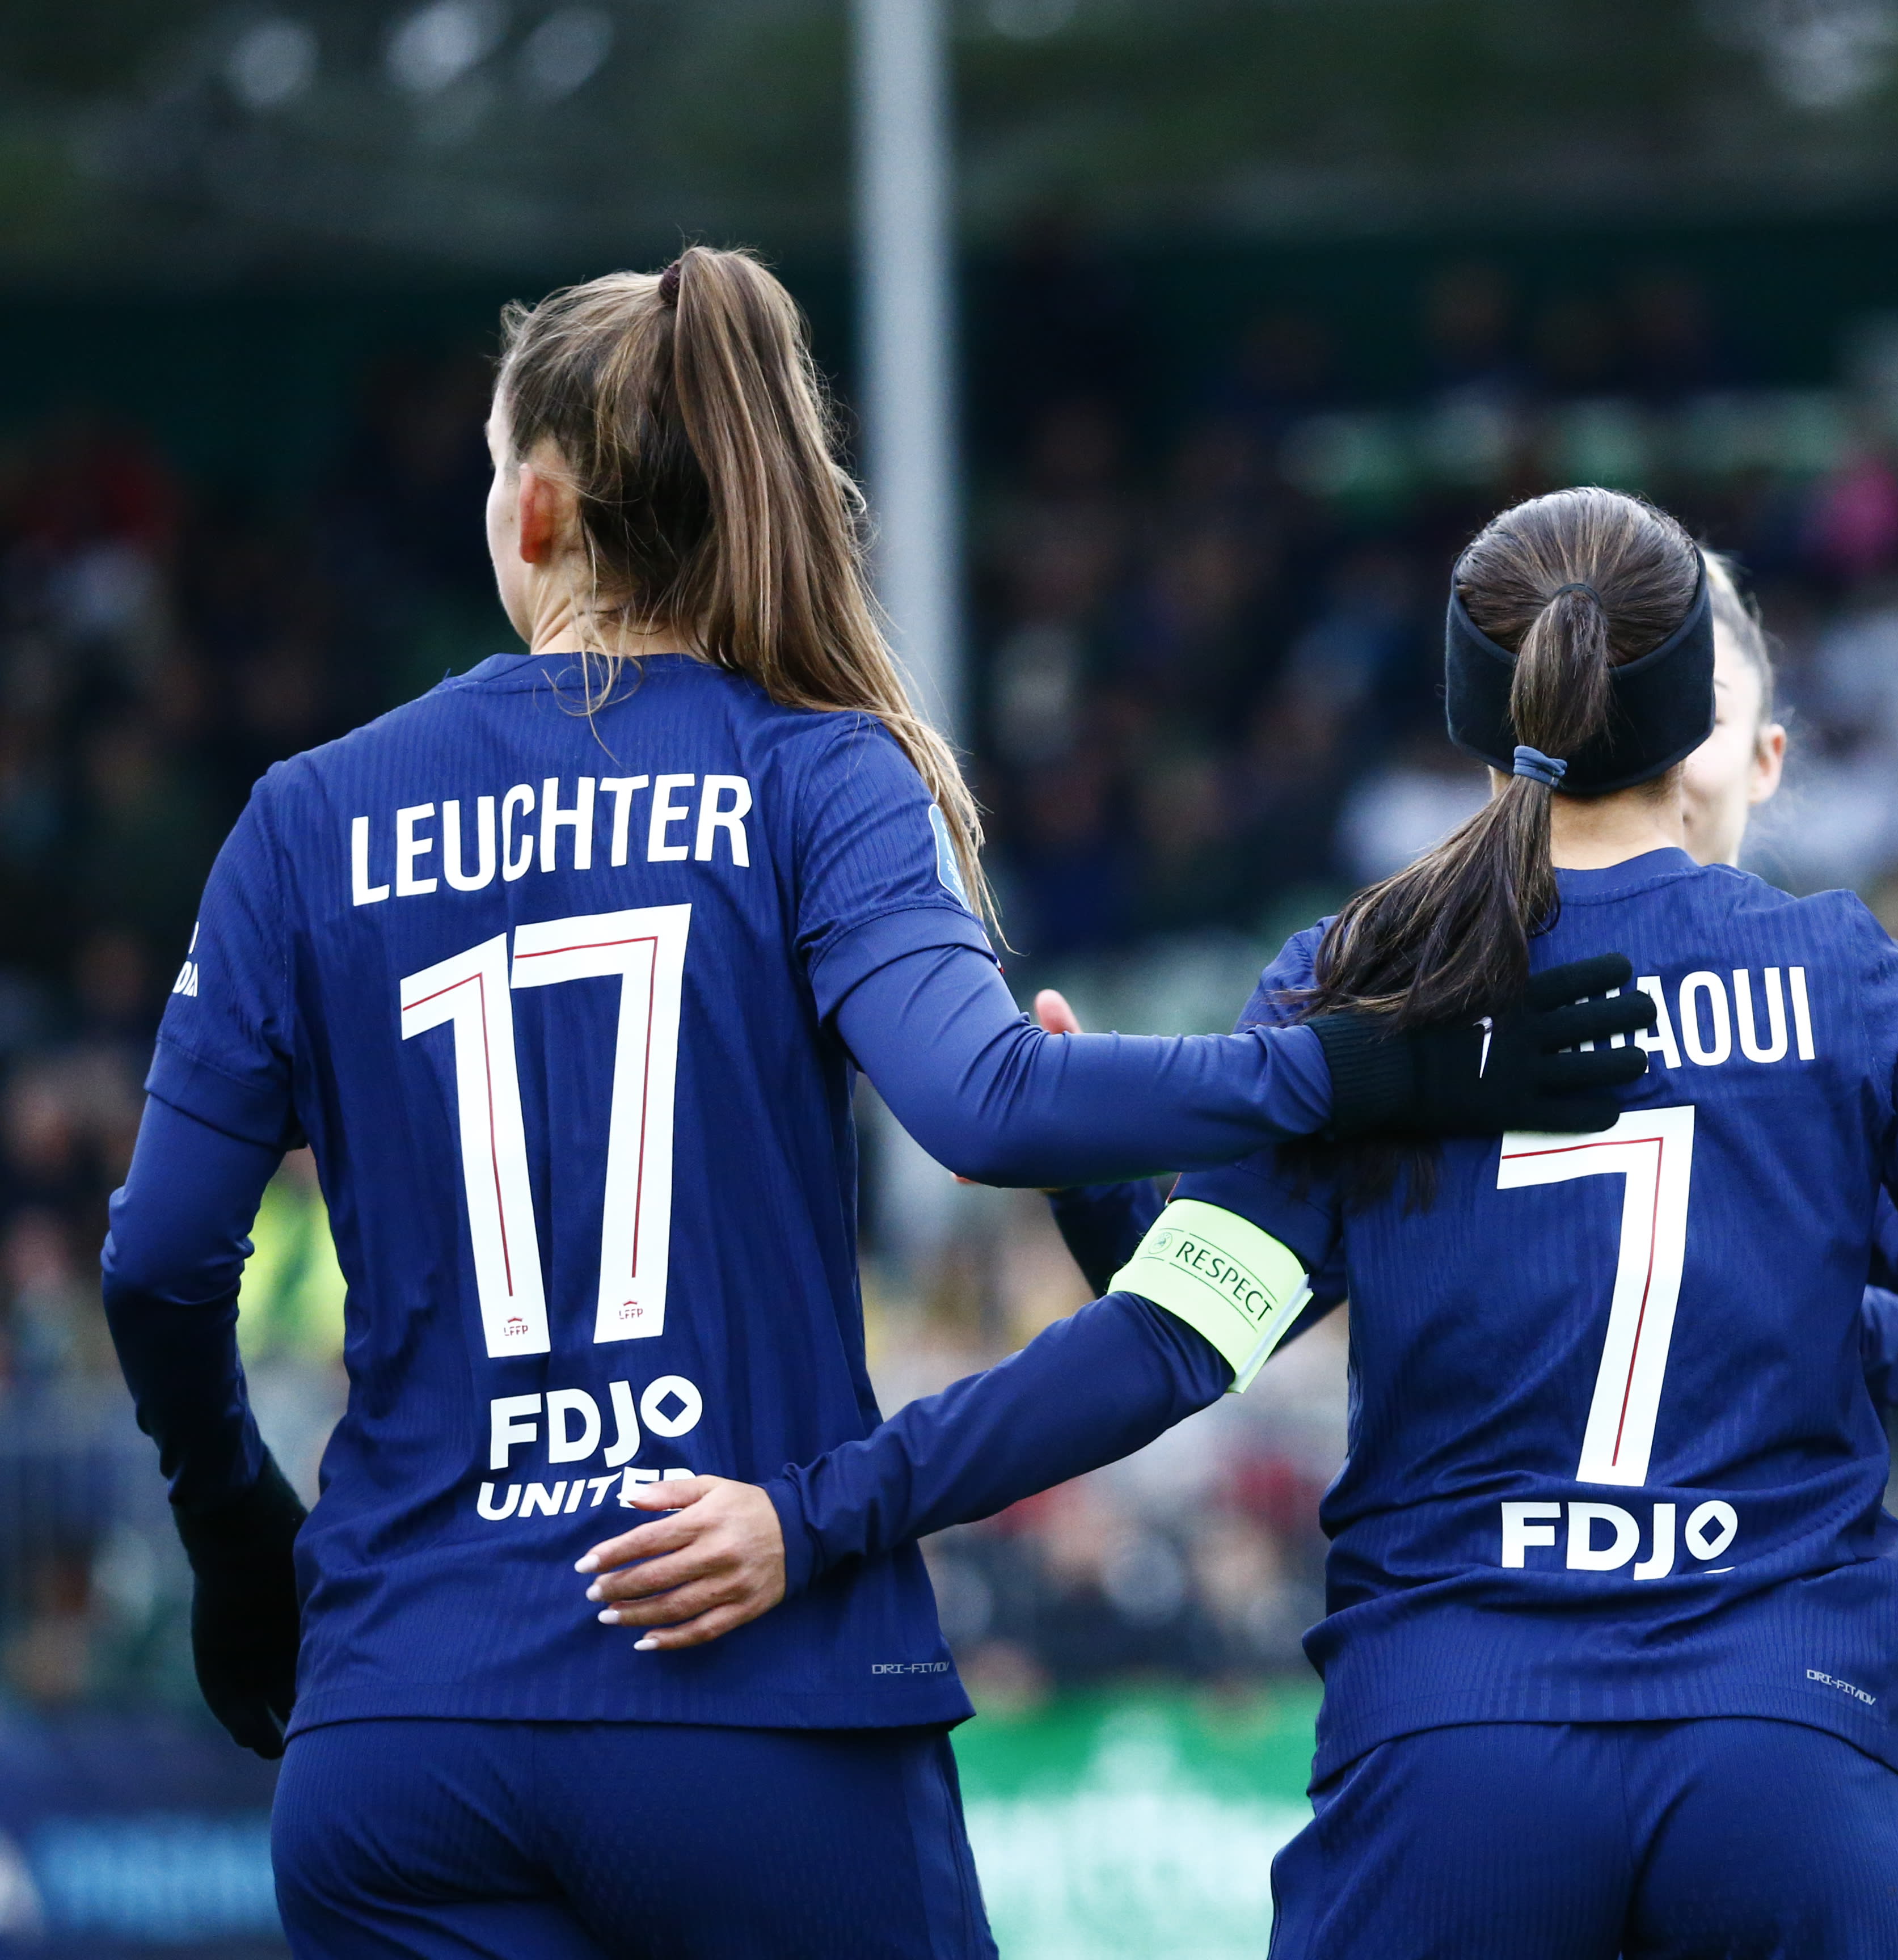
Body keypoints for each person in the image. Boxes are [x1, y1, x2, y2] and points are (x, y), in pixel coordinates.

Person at [96, 248, 1650, 1959]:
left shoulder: (305, 818)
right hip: (756, 1703)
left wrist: (236, 1526)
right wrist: (1374, 1066)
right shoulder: (817, 765)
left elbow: (159, 1260)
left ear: (531, 509)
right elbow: (990, 1104)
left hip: (403, 1726)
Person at [581, 485, 1898, 1959]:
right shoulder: (1846, 981)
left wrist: (819, 1514)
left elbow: (1181, 1343)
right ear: (1707, 726)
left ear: (1471, 709)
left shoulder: (1360, 985)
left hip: (1455, 1753)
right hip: (1784, 1747)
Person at [1036, 549, 1898, 1446]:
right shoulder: (1441, 1013)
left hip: (1753, 1601)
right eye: (1599, 703)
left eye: (1696, 713)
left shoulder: (1838, 1018)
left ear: (1766, 760)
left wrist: (1765, 1301)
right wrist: (1086, 1173)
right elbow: (1216, 1321)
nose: (1634, 739)